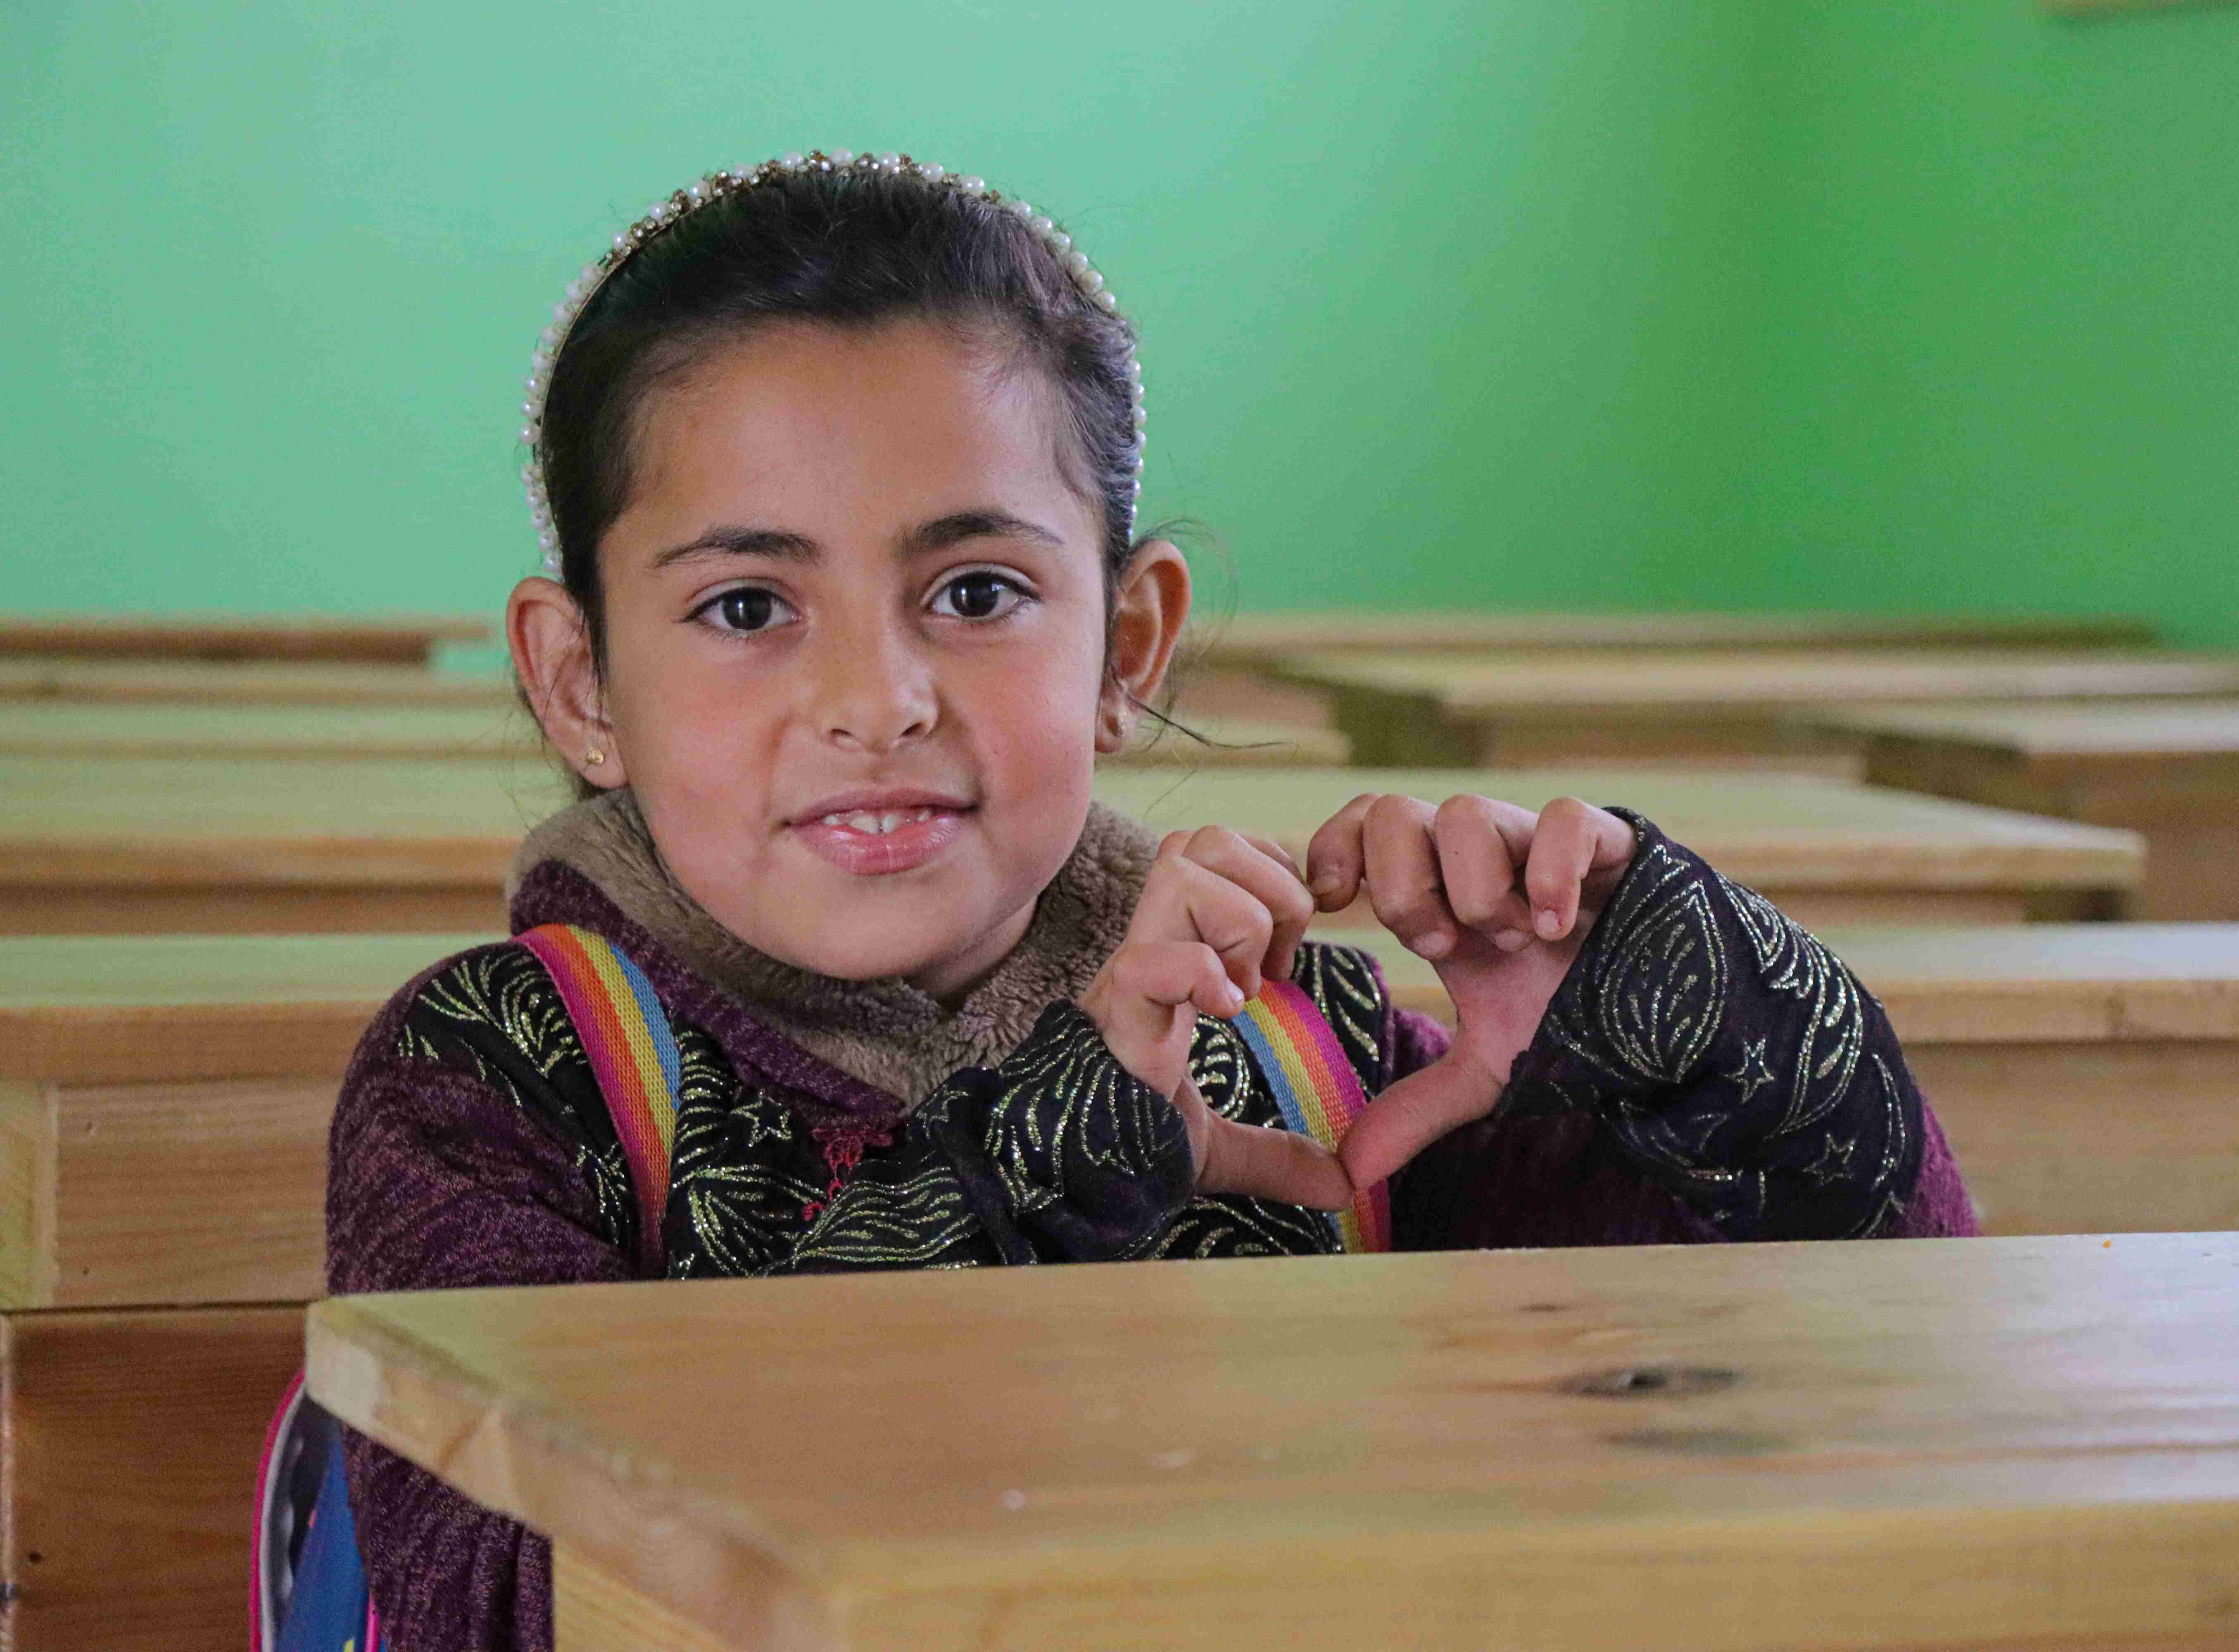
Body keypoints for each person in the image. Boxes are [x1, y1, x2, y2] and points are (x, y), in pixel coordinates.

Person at [328, 148, 1976, 1652]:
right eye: (749, 604)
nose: (877, 696)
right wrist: (1045, 1162)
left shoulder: (1326, 1046)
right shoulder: (498, 1074)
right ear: (580, 679)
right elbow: (510, 1603)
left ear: (1127, 645)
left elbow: (1842, 1401)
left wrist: (1680, 1027)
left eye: (975, 592)